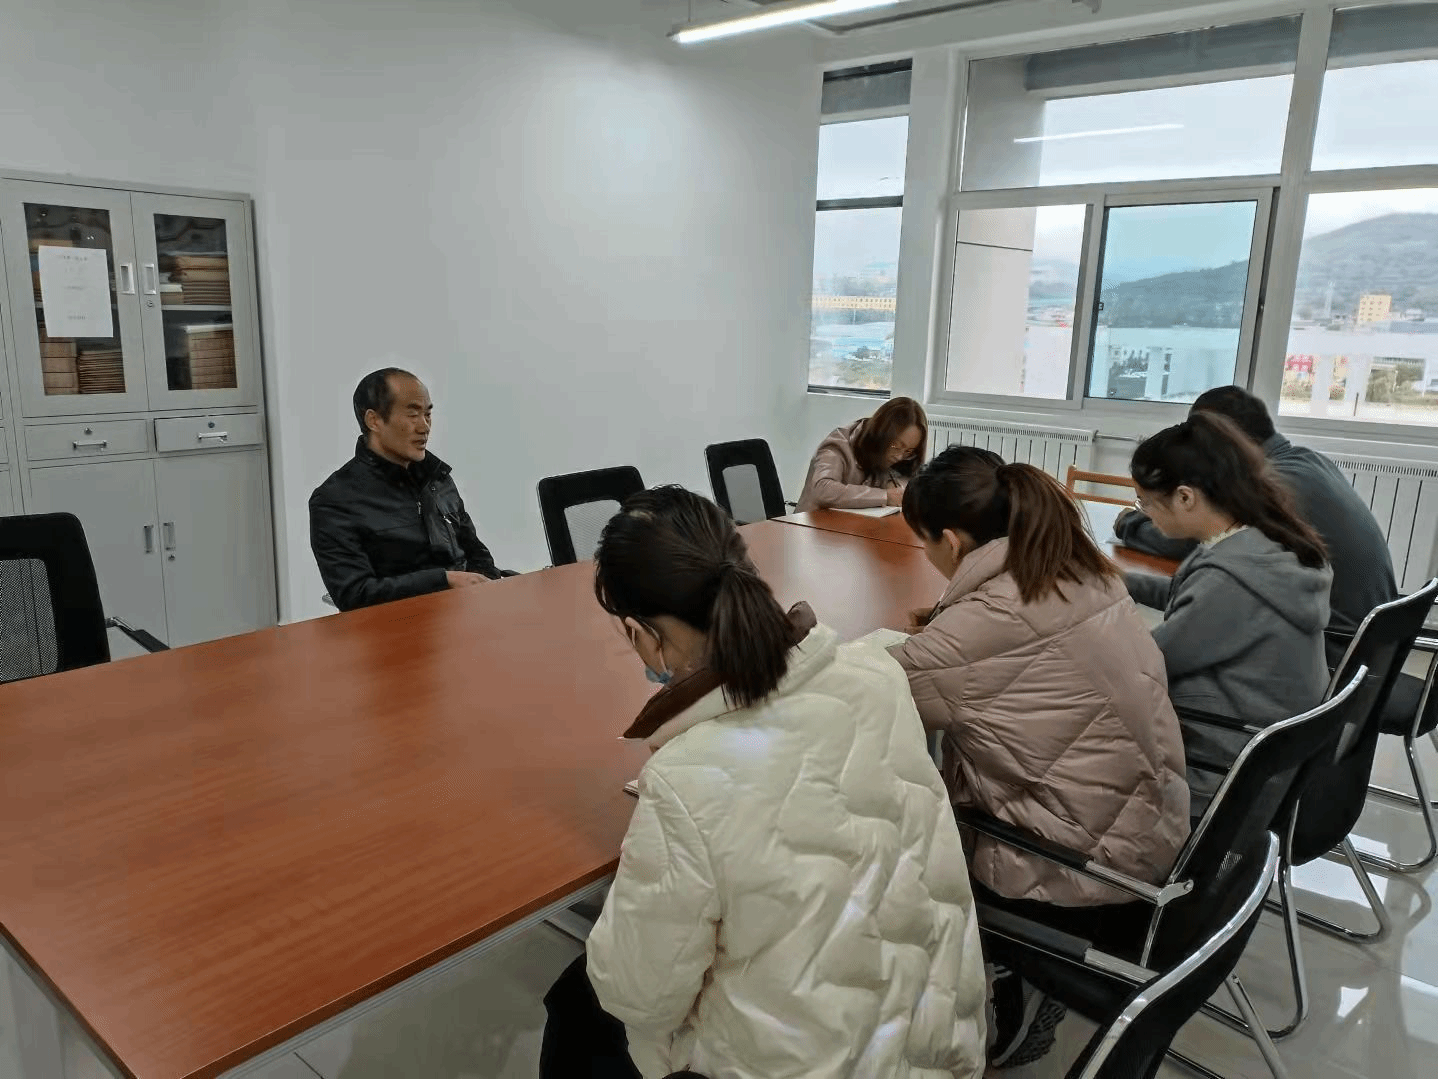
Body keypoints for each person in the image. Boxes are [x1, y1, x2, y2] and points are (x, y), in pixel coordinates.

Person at [540, 486, 986, 1079]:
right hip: (939, 1046)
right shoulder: (878, 674)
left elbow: (638, 996)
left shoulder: (684, 779)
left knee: (580, 1006)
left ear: (641, 634)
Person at [887, 446, 1188, 1069]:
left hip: (1084, 865)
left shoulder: (991, 617)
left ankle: (1004, 984)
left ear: (949, 541)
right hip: (1149, 827)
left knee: (897, 833)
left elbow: (877, 691)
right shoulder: (1076, 568)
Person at [1114, 384, 1395, 638]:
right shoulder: (1309, 460)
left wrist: (1130, 523)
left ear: (1226, 440)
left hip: (1337, 645)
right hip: (1369, 636)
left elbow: (1190, 543)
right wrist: (1128, 582)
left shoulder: (1271, 485)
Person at [1124, 412, 1332, 734]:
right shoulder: (1260, 541)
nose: (1145, 513)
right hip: (1276, 730)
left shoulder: (1227, 580)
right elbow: (1193, 597)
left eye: (1145, 502)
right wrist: (1124, 581)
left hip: (1232, 742)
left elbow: (1149, 662)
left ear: (1185, 497)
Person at [309, 368, 513, 611]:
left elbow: (477, 553)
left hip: (467, 613)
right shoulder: (335, 500)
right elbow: (355, 594)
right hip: (401, 625)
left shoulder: (437, 479)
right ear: (374, 420)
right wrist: (443, 581)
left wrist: (486, 589)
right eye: (413, 415)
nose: (424, 427)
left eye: (428, 414)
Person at [796, 396, 928, 512]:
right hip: (812, 526)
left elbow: (906, 482)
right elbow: (822, 490)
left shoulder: (902, 458)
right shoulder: (838, 444)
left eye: (908, 451)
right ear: (880, 433)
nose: (899, 457)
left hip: (856, 527)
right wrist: (884, 496)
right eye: (895, 446)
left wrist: (896, 486)